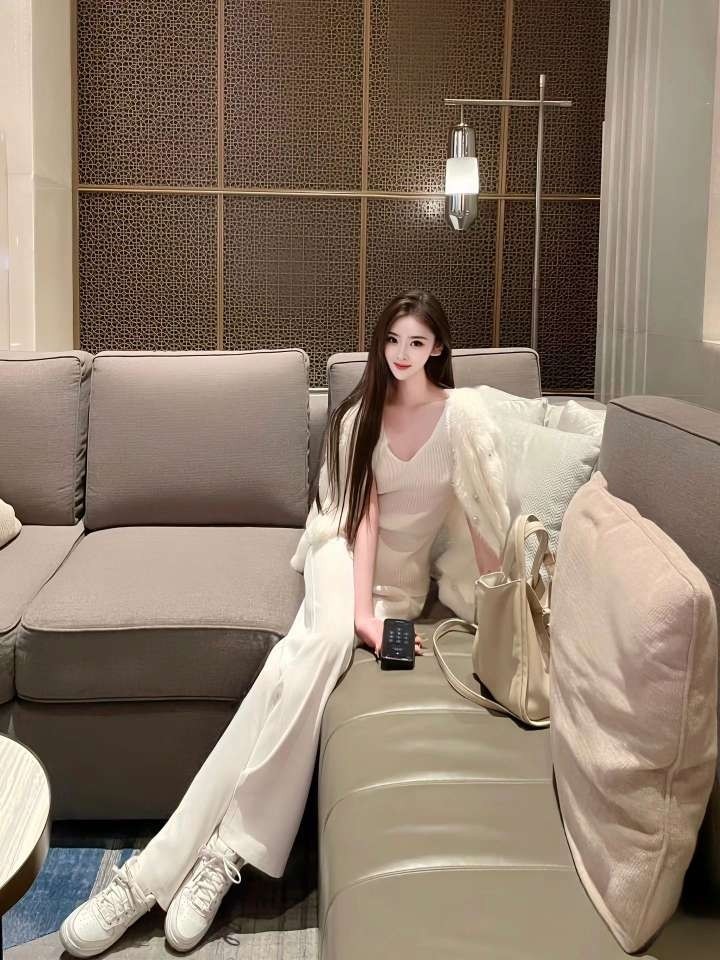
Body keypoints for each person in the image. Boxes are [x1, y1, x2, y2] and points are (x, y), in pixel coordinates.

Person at [59, 290, 510, 957]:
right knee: (326, 639)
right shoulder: (361, 416)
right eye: (392, 340)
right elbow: (361, 517)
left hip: (403, 583)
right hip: (339, 551)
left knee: (286, 670)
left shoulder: (463, 419)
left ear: (438, 347)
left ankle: (203, 859)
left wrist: (501, 612)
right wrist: (360, 615)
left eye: (416, 342)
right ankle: (166, 872)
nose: (401, 354)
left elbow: (481, 514)